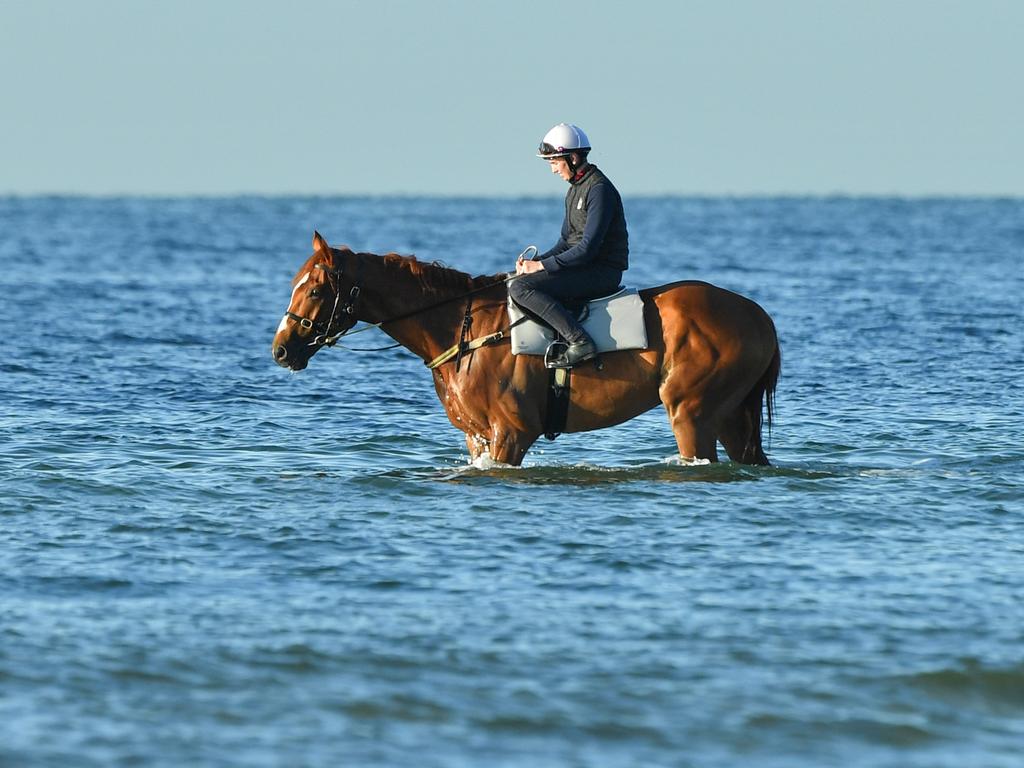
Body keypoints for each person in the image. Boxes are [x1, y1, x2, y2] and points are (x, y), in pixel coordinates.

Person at [508, 123, 629, 367]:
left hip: (602, 272)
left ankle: (580, 342)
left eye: (554, 162)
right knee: (513, 281)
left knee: (520, 290)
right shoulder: (574, 190)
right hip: (583, 267)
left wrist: (542, 268)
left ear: (573, 158)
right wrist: (536, 263)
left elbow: (587, 249)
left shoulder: (599, 190)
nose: (552, 170)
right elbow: (566, 242)